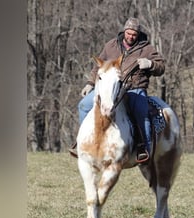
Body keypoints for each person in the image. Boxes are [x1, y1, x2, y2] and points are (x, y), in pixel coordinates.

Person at [69, 17, 165, 163]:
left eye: (134, 34)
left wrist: (150, 64)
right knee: (83, 105)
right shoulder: (111, 46)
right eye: (128, 33)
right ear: (124, 31)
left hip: (134, 88)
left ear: (138, 34)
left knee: (141, 112)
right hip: (110, 88)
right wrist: (90, 83)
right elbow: (99, 66)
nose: (131, 36)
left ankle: (143, 147)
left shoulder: (146, 49)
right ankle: (82, 143)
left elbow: (161, 67)